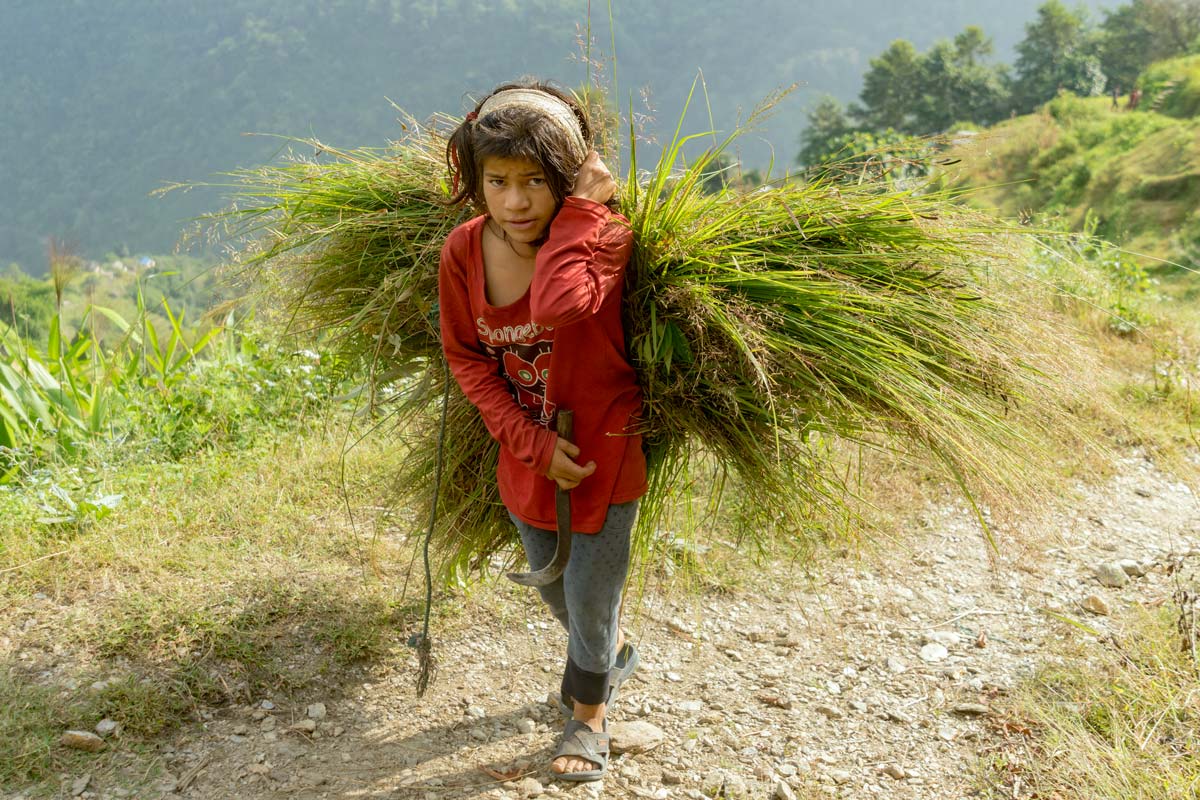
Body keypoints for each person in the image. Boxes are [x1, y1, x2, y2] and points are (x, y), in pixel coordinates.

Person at [438, 79, 646, 782]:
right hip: (525, 454)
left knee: (592, 597)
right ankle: (603, 660)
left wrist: (583, 214)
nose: (516, 201)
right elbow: (466, 355)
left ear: (570, 177)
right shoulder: (463, 252)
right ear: (476, 179)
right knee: (551, 585)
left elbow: (559, 306)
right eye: (497, 181)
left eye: (536, 181)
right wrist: (527, 443)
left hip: (604, 452)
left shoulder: (603, 237)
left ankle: (588, 720)